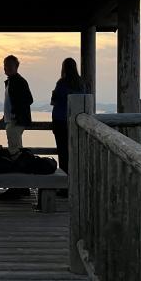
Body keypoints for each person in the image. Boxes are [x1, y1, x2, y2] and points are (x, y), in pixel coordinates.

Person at [0, 55, 34, 200]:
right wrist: (5, 117)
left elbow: (28, 99)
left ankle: (17, 187)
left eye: (10, 66)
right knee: (16, 151)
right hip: (11, 121)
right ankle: (21, 186)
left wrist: (15, 114)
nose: (7, 68)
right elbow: (9, 103)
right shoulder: (10, 82)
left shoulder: (19, 81)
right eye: (5, 65)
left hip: (16, 122)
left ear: (16, 67)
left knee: (15, 153)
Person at [51, 58, 85, 186]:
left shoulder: (62, 83)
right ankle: (75, 183)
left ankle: (64, 185)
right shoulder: (81, 84)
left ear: (64, 68)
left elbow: (55, 100)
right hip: (76, 122)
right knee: (74, 152)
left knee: (63, 152)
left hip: (60, 121)